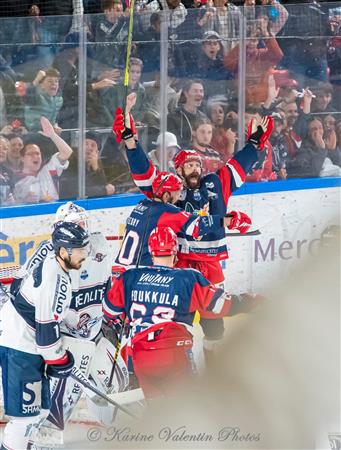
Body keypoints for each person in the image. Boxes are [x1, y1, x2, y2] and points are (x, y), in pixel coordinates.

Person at [113, 100, 273, 363]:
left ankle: (213, 370)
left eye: (198, 165)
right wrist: (131, 142)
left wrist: (255, 143)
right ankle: (171, 365)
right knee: (175, 323)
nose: (195, 169)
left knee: (215, 327)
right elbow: (144, 174)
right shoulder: (172, 189)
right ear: (178, 170)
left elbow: (239, 165)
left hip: (210, 267)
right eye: (189, 165)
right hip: (180, 266)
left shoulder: (215, 183)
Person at [10, 202, 128, 447]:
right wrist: (46, 339)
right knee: (61, 403)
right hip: (65, 339)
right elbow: (19, 289)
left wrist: (113, 316)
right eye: (75, 226)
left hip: (94, 333)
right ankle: (45, 440)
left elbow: (108, 284)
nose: (81, 231)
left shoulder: (100, 246)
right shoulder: (48, 255)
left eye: (83, 224)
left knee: (117, 384)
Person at [105, 226, 259, 399]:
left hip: (140, 356)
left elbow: (110, 312)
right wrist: (253, 301)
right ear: (176, 252)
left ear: (150, 250)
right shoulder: (188, 278)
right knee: (187, 409)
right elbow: (222, 305)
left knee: (157, 410)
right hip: (173, 353)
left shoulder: (130, 276)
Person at [0, 222, 89, 450]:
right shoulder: (55, 280)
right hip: (20, 345)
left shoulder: (46, 250)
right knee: (26, 417)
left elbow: (18, 285)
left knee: (41, 410)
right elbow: (47, 343)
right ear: (62, 251)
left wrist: (65, 315)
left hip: (19, 335)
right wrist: (64, 362)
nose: (84, 255)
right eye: (79, 250)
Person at [116, 170, 240, 267]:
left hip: (120, 270)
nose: (178, 197)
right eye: (176, 193)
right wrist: (229, 221)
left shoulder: (141, 205)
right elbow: (198, 226)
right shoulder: (167, 212)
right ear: (166, 195)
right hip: (139, 274)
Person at [13, 117, 72, 204]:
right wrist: (24, 201)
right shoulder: (16, 179)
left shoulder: (50, 169)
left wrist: (52, 135)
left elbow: (67, 152)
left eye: (37, 153)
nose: (35, 156)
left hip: (55, 213)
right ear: (22, 158)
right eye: (30, 154)